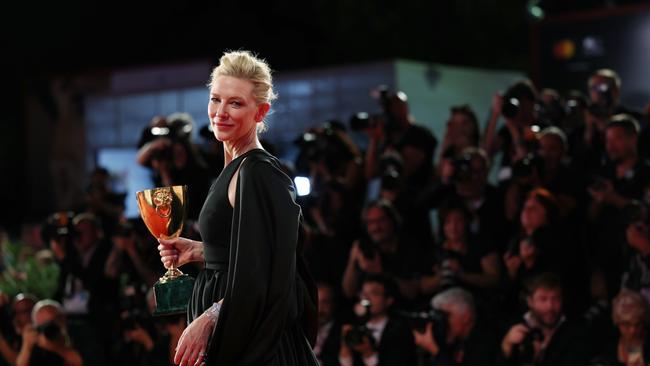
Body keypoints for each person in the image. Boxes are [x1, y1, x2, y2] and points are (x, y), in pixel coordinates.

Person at [157, 50, 318, 366]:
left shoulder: (257, 173)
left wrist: (211, 318)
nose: (220, 112)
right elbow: (254, 250)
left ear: (261, 112)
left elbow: (267, 271)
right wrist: (201, 251)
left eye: (236, 103)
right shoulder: (236, 168)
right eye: (216, 99)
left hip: (254, 343)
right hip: (235, 335)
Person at [497, 273, 591, 366]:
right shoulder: (512, 326)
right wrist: (506, 347)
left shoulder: (576, 332)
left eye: (556, 299)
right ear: (530, 301)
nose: (550, 306)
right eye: (543, 299)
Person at [592, 289, 650, 366]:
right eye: (626, 324)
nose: (633, 330)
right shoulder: (609, 349)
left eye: (638, 324)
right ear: (617, 322)